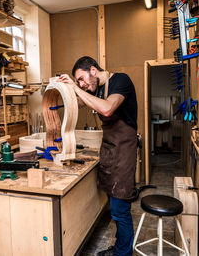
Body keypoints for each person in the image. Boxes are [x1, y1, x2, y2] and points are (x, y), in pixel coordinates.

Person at [59, 56, 137, 256]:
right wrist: (66, 90)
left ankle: (124, 253)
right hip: (110, 151)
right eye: (79, 82)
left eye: (82, 79)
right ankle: (120, 248)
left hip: (124, 152)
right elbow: (78, 104)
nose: (83, 85)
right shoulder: (95, 88)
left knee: (121, 210)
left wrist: (76, 88)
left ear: (93, 70)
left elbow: (107, 108)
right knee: (114, 208)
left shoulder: (121, 81)